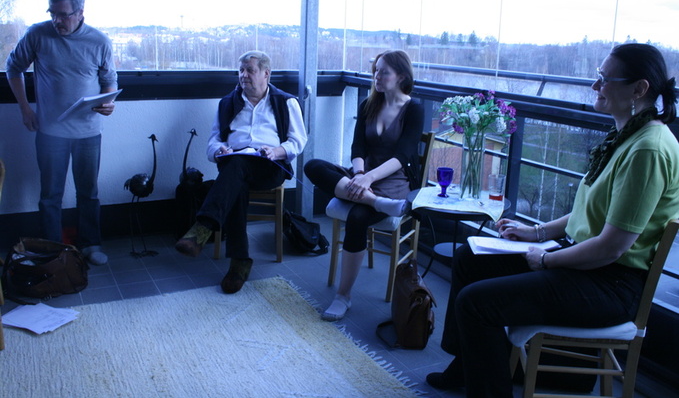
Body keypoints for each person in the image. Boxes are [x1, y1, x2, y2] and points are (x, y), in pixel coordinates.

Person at [426, 42, 679, 397]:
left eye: (605, 79)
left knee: (476, 303)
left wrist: (546, 259)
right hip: (586, 265)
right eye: (598, 76)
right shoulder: (626, 137)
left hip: (610, 284)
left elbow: (611, 248)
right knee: (469, 258)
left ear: (639, 89)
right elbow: (593, 212)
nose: (595, 86)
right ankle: (469, 365)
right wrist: (536, 232)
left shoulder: (648, 149)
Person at [304, 50, 425, 321]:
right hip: (363, 176)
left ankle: (343, 296)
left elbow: (403, 155)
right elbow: (357, 147)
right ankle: (376, 203)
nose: (377, 76)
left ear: (401, 76)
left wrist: (368, 179)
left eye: (384, 72)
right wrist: (359, 174)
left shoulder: (414, 109)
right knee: (312, 166)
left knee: (357, 218)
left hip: (394, 181)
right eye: (375, 70)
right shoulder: (368, 104)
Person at [5, 0, 117, 266]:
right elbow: (13, 68)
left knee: (88, 192)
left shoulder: (99, 41)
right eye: (52, 13)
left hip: (88, 132)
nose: (57, 20)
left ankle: (91, 243)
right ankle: (53, 249)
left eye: (63, 15)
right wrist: (25, 109)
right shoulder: (37, 34)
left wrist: (107, 103)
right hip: (50, 132)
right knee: (50, 196)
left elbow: (109, 81)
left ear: (80, 12)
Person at [175, 51, 307, 294]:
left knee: (235, 170)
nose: (244, 75)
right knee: (236, 174)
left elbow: (298, 141)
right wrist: (219, 151)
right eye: (241, 70)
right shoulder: (227, 103)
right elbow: (213, 141)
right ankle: (239, 263)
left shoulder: (286, 102)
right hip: (235, 167)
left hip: (270, 166)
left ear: (266, 74)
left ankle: (203, 231)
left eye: (250, 70)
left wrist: (276, 151)